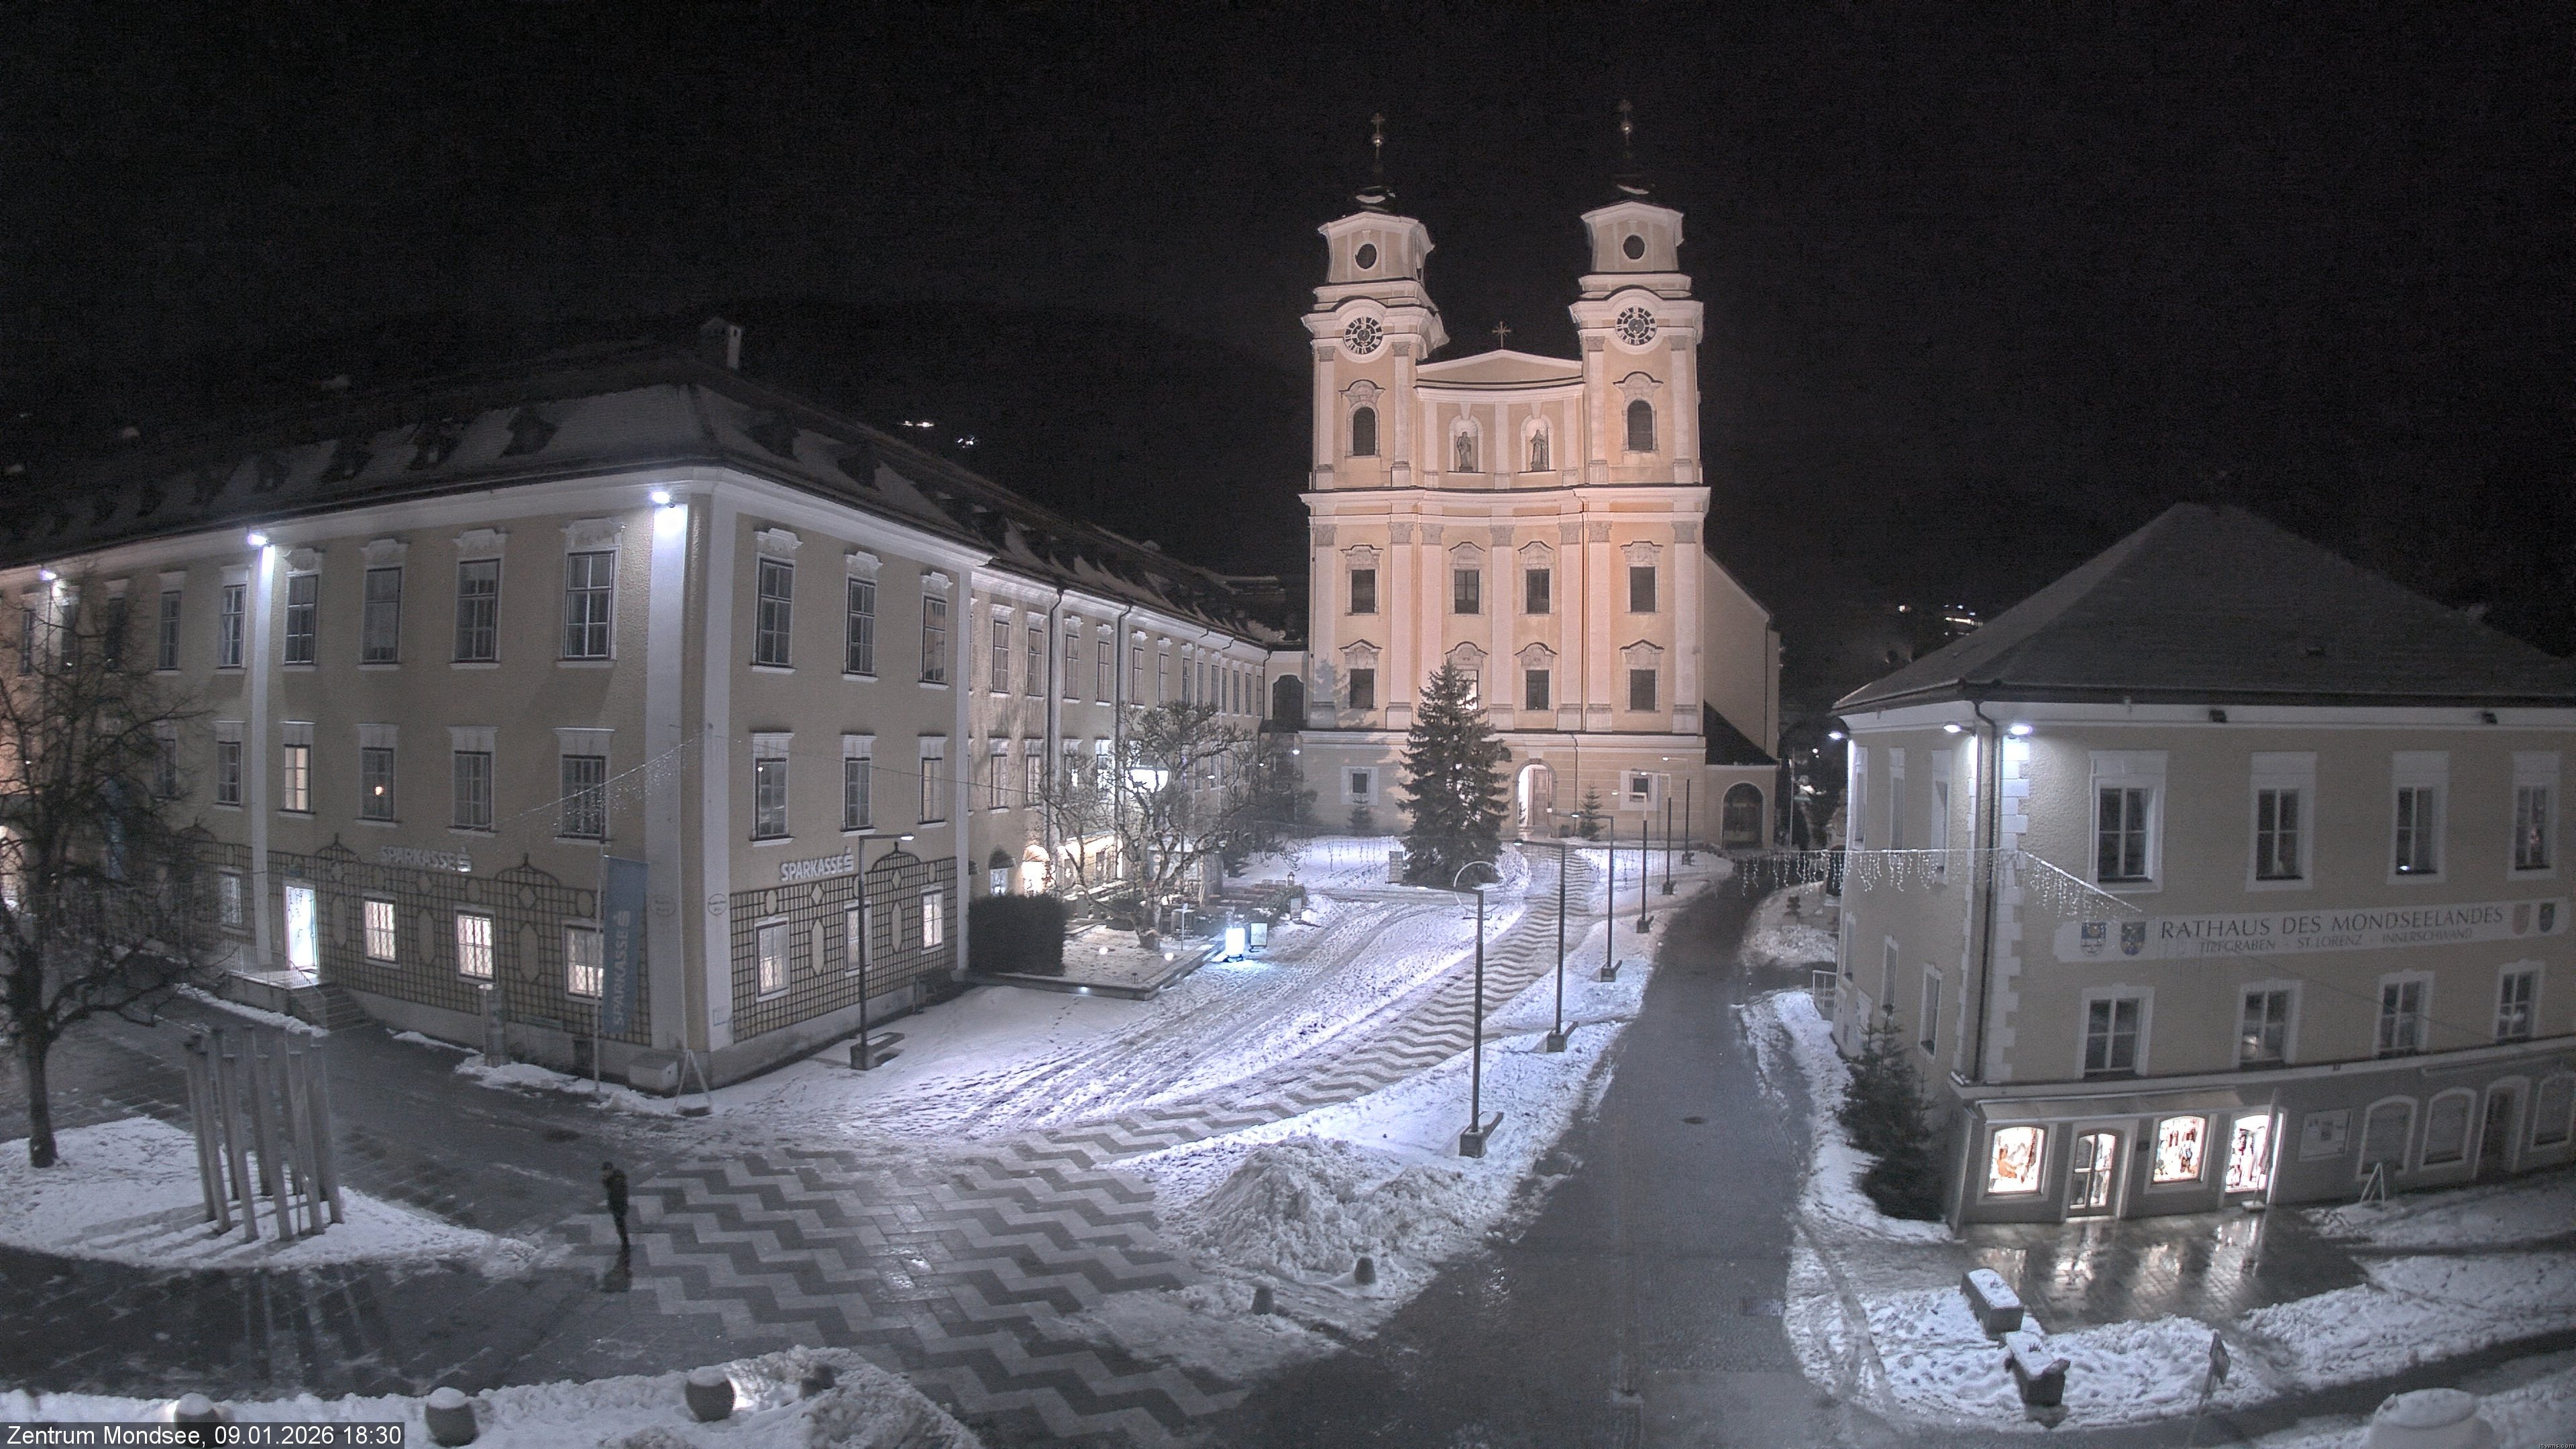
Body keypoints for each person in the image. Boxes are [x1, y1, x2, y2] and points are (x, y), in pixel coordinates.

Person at [600, 1160, 630, 1255]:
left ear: (611, 1170)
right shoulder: (615, 1179)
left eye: (606, 1171)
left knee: (621, 1228)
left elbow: (617, 1194)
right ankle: (625, 1246)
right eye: (604, 1171)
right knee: (621, 1228)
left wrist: (618, 1207)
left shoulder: (617, 1181)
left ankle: (626, 1247)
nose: (605, 1173)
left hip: (619, 1207)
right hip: (617, 1207)